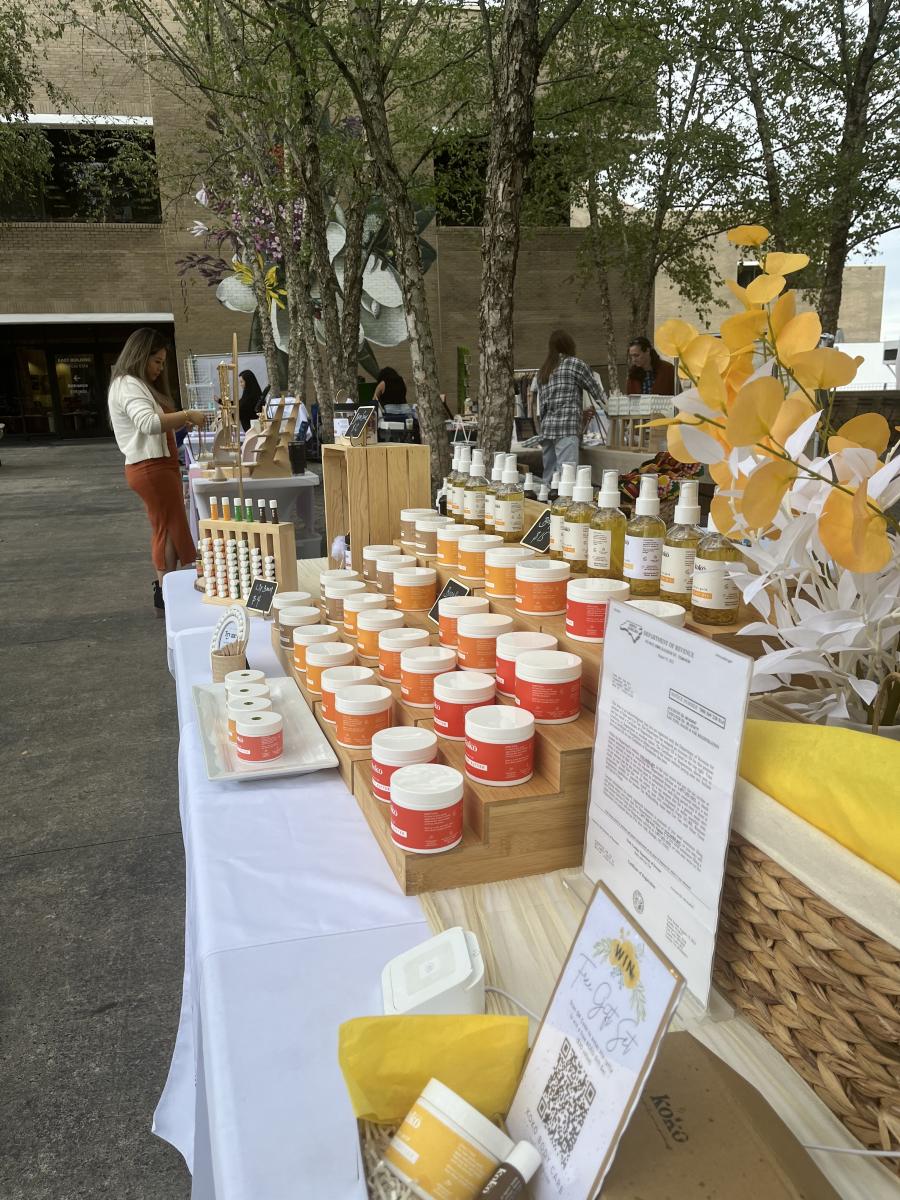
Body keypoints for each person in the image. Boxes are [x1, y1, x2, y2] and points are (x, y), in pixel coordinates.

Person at [107, 328, 206, 616]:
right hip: (151, 467)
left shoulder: (132, 384)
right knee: (165, 528)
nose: (160, 368)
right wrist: (186, 415)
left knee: (170, 527)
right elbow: (148, 423)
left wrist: (179, 421)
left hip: (157, 466)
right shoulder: (128, 384)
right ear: (141, 356)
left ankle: (168, 589)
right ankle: (164, 592)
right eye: (157, 361)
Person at [532, 329, 606, 482]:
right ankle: (563, 498)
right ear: (570, 346)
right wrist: (611, 411)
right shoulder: (575, 364)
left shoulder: (543, 371)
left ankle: (546, 497)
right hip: (567, 427)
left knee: (549, 476)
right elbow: (597, 392)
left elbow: (542, 407)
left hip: (547, 429)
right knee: (567, 476)